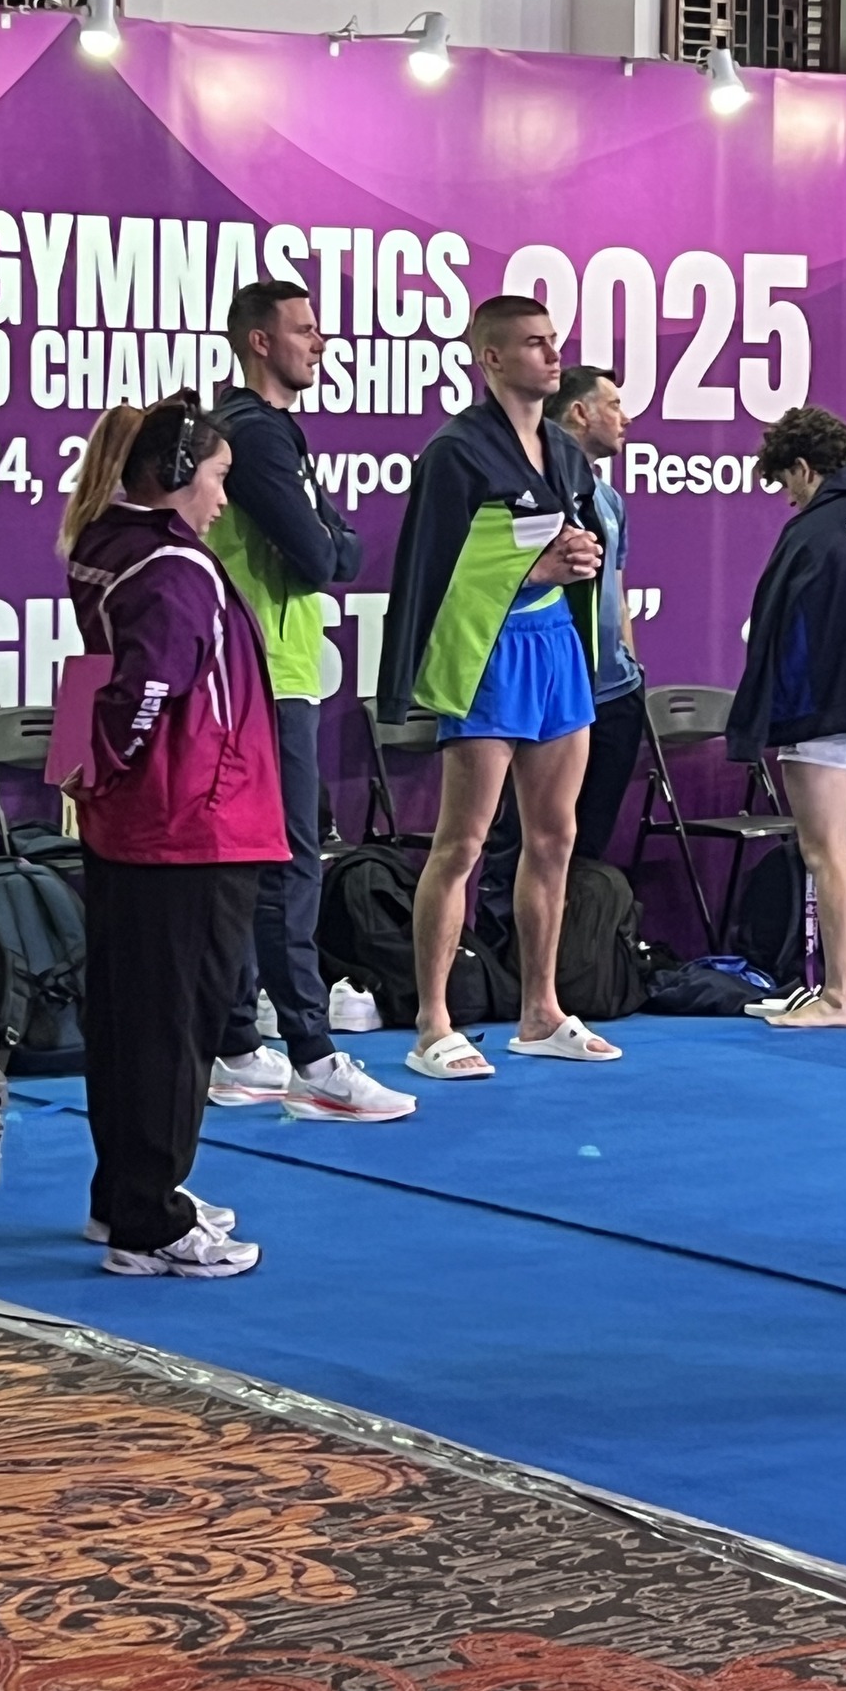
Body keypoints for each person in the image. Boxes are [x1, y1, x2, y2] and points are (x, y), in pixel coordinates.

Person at [58, 397, 287, 1276]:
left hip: (143, 822)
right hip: (192, 823)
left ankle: (123, 1195)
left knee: (127, 1018)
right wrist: (110, 767)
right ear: (176, 474)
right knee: (173, 1027)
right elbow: (142, 692)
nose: (224, 499)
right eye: (219, 478)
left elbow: (95, 680)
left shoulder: (104, 542)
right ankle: (149, 1222)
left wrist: (89, 776)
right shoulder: (173, 567)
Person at [376, 294, 622, 1078]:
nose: (553, 356)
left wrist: (578, 563)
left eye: (554, 341)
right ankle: (432, 1023)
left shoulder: (565, 450)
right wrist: (535, 568)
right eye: (534, 344)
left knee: (555, 838)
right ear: (491, 358)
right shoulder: (456, 452)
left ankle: (540, 1010)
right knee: (464, 843)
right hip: (489, 650)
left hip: (557, 649)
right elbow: (432, 569)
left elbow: (568, 540)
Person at [203, 279, 413, 1122]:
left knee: (254, 862)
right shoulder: (255, 434)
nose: (319, 342)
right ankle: (313, 1058)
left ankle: (236, 1047)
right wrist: (328, 535)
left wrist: (329, 535)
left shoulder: (259, 430)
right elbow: (325, 556)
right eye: (304, 329)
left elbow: (343, 548)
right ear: (261, 341)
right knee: (288, 859)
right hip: (268, 672)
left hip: (260, 669)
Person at [725, 406, 846, 1028]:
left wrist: (760, 716)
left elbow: (771, 628)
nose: (788, 498)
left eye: (787, 483)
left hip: (817, 710)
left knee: (824, 851)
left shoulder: (811, 533)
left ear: (805, 468)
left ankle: (837, 998)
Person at [475, 364, 644, 950]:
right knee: (524, 839)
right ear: (579, 412)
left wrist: (628, 665)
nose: (625, 418)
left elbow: (615, 588)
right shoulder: (526, 492)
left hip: (613, 694)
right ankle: (504, 961)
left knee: (583, 844)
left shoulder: (610, 499)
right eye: (613, 404)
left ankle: (574, 962)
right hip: (544, 688)